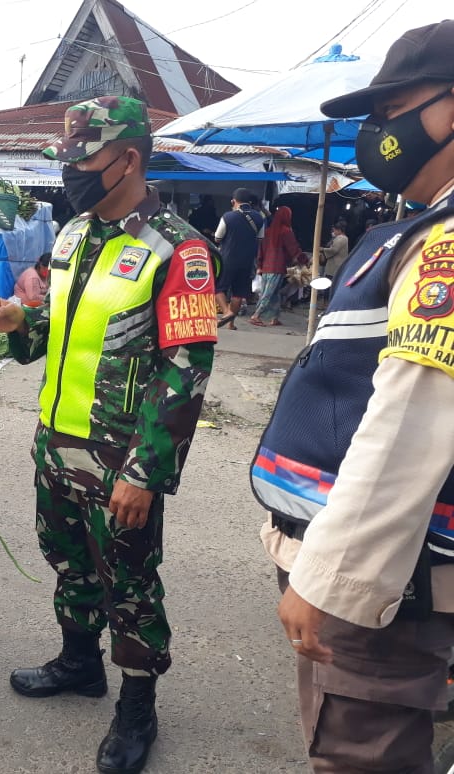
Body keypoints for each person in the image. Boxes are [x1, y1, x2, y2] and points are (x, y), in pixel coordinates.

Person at [0, 96, 219, 774]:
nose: (71, 172)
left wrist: (146, 473)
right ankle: (79, 662)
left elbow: (187, 371)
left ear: (130, 160)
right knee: (68, 560)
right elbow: (57, 332)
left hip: (121, 456)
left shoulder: (179, 249)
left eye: (84, 159)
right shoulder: (72, 236)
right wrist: (15, 326)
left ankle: (137, 706)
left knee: (132, 584)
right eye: (68, 158)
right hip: (56, 440)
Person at [251, 20, 454, 772]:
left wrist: (331, 580)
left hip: (389, 589)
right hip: (395, 572)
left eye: (391, 110)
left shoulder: (447, 245)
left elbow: (409, 427)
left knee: (361, 751)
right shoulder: (420, 228)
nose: (377, 133)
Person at [214, 187, 264, 329]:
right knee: (238, 293)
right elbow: (260, 238)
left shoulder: (228, 217)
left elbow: (217, 238)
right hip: (247, 260)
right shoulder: (259, 217)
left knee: (218, 287)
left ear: (233, 201)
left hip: (227, 258)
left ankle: (226, 312)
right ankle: (231, 324)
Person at [250, 206, 306, 327]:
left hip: (266, 267)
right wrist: (304, 259)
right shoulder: (286, 231)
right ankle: (256, 315)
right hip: (277, 267)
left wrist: (260, 265)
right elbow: (293, 248)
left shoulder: (268, 231)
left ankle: (274, 318)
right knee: (268, 294)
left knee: (274, 294)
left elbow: (261, 250)